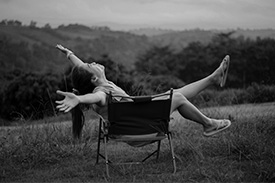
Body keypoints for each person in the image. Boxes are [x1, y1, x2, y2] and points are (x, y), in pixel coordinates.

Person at [55, 44, 231, 138]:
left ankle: (212, 79)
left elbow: (82, 70)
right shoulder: (102, 91)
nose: (92, 62)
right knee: (176, 96)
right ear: (93, 79)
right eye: (90, 65)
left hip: (135, 121)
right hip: (140, 128)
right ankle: (209, 125)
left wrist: (69, 54)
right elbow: (95, 96)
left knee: (176, 93)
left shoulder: (98, 82)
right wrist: (79, 99)